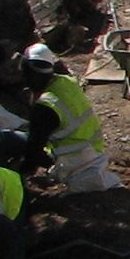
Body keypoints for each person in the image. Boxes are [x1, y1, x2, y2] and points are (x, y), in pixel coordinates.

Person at [20, 43, 115, 192]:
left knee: (5, 139)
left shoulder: (45, 106)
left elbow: (34, 153)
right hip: (93, 154)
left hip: (69, 163)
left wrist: (22, 172)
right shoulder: (68, 83)